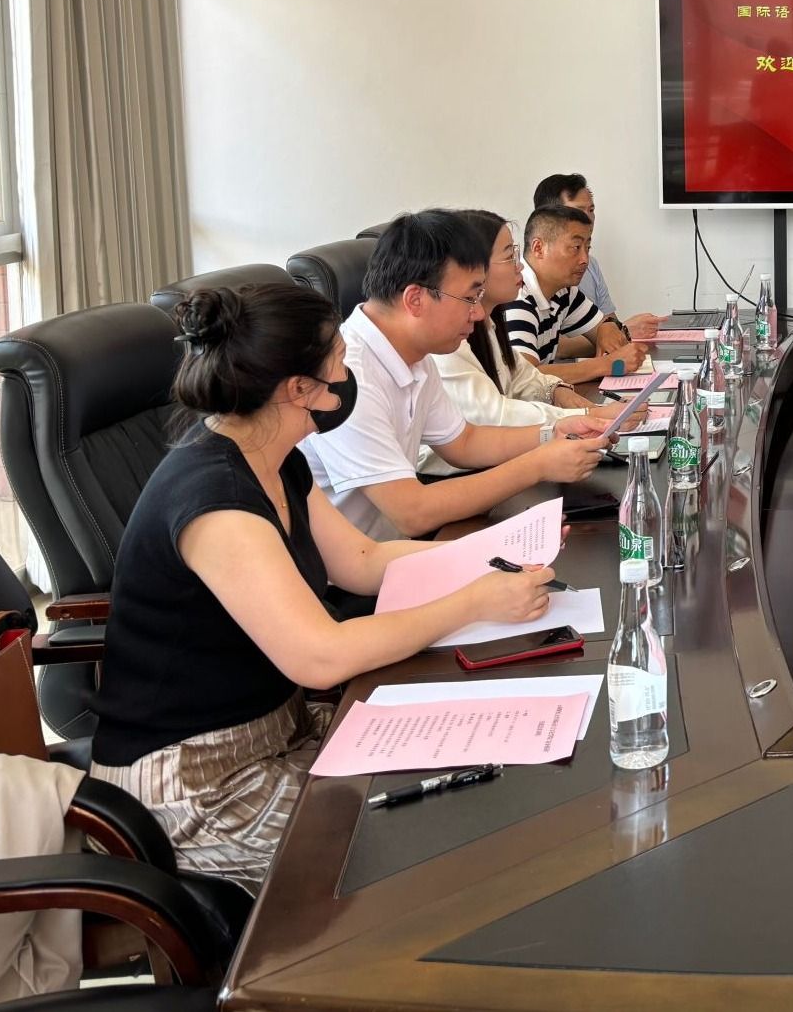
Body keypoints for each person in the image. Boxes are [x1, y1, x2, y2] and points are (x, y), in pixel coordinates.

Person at [88, 282, 562, 889]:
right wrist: (472, 602)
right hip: (195, 783)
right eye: (338, 357)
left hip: (283, 730)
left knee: (461, 792)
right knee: (406, 857)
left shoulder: (276, 457)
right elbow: (321, 656)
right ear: (298, 388)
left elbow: (362, 560)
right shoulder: (215, 501)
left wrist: (489, 559)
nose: (347, 371)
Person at [301, 210, 611, 539]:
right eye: (468, 298)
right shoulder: (348, 376)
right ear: (415, 299)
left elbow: (464, 442)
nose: (477, 313)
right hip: (363, 564)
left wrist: (554, 432)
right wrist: (538, 465)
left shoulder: (415, 354)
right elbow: (413, 512)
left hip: (399, 548)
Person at [422, 210, 625, 474]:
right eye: (509, 256)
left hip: (493, 464)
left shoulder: (487, 322)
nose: (519, 266)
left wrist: (558, 392)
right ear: (473, 267)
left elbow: (522, 375)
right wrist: (583, 417)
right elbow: (495, 417)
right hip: (450, 476)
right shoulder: (446, 340)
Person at [502, 204, 647, 385]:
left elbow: (604, 328)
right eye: (576, 247)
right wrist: (607, 365)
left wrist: (607, 326)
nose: (585, 259)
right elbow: (526, 378)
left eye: (588, 248)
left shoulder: (564, 292)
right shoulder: (517, 297)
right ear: (538, 248)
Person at [532, 172, 660, 338]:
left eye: (591, 210)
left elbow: (609, 326)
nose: (588, 219)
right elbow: (553, 346)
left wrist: (621, 333)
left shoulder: (589, 265)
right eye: (578, 211)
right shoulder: (527, 282)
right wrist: (624, 331)